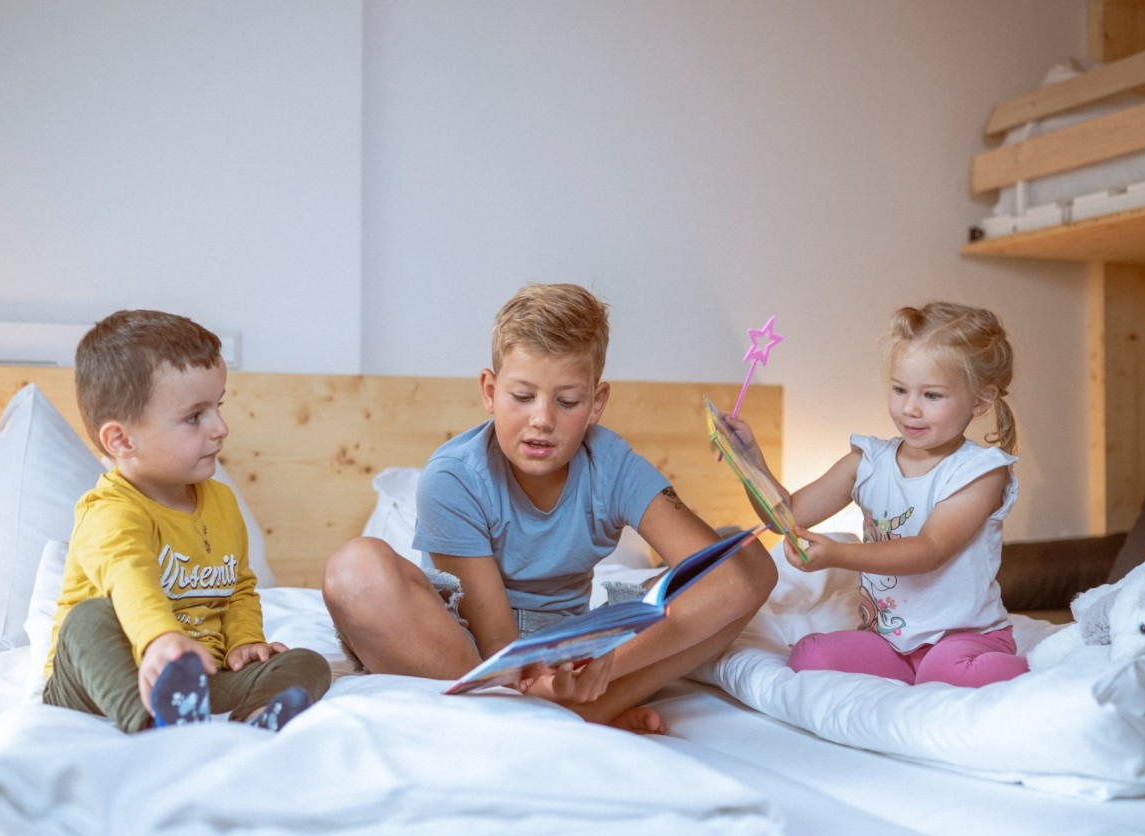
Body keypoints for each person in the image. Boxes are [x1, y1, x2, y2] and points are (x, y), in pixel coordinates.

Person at [323, 283, 776, 731]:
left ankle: (584, 708)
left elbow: (727, 580)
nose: (542, 419)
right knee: (355, 570)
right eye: (522, 397)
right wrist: (537, 681)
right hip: (471, 652)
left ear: (596, 404)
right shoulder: (454, 475)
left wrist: (606, 660)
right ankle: (550, 716)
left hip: (575, 651)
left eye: (568, 401)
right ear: (489, 390)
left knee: (746, 556)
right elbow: (497, 640)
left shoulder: (613, 464)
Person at [42, 309, 331, 732]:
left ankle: (256, 718)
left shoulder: (222, 503)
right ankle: (150, 723)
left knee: (309, 661)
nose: (220, 428)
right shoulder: (109, 510)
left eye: (218, 407)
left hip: (200, 679)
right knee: (87, 620)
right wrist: (160, 639)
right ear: (121, 440)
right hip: (96, 682)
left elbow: (239, 589)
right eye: (195, 416)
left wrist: (245, 641)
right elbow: (129, 578)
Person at [724, 301, 1028, 687]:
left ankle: (1036, 673)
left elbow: (929, 549)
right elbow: (786, 517)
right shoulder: (868, 461)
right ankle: (912, 673)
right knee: (809, 655)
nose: (910, 409)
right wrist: (751, 464)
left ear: (981, 401)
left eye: (932, 396)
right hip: (888, 641)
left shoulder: (980, 471)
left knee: (945, 671)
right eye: (900, 390)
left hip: (964, 637)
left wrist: (836, 554)